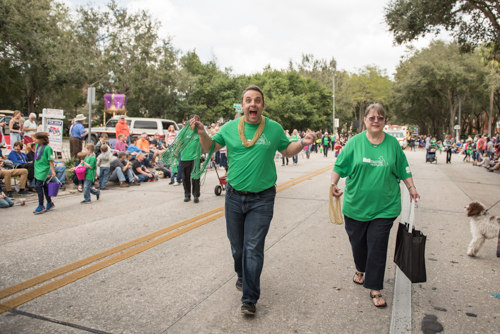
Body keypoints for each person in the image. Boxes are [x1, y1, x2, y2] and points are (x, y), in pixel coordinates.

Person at [190, 85, 321, 315]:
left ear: (262, 105)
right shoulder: (230, 128)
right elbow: (211, 147)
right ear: (242, 106)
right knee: (237, 247)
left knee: (253, 248)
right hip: (233, 196)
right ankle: (242, 274)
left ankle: (249, 299)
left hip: (263, 198)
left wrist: (303, 142)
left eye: (257, 100)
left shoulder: (273, 128)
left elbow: (287, 150)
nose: (253, 104)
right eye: (248, 100)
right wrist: (202, 132)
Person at [331, 103, 420, 308]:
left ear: (384, 121)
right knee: (358, 245)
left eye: (380, 118)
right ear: (365, 120)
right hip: (356, 206)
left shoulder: (392, 145)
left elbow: (403, 169)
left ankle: (375, 288)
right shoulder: (354, 143)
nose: (376, 121)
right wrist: (332, 183)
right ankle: (360, 268)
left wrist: (411, 188)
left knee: (377, 247)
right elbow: (339, 166)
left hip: (385, 206)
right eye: (372, 118)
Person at [32, 132, 56, 214]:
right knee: (45, 186)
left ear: (41, 139)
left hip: (43, 169)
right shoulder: (37, 146)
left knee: (38, 186)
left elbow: (50, 160)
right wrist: (42, 133)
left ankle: (41, 205)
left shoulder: (48, 148)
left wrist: (53, 171)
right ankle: (50, 202)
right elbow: (32, 135)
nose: (34, 140)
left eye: (36, 139)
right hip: (37, 169)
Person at [179, 126, 201, 203]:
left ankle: (196, 195)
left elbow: (203, 143)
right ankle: (187, 195)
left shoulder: (199, 131)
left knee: (195, 177)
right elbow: (178, 143)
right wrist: (175, 153)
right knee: (185, 177)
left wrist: (209, 154)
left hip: (196, 158)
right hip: (185, 157)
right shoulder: (183, 131)